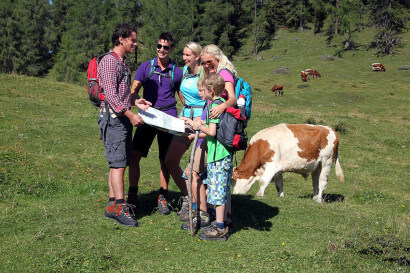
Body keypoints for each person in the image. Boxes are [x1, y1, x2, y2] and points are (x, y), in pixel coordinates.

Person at [99, 23, 152, 227]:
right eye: (133, 40)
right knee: (118, 165)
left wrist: (135, 101)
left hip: (120, 118)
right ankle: (120, 208)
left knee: (119, 162)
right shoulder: (110, 62)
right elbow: (110, 95)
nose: (135, 44)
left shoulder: (121, 62)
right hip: (114, 119)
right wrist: (130, 114)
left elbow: (120, 95)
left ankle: (113, 206)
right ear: (121, 39)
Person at [128, 32, 186, 215]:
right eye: (159, 46)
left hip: (168, 117)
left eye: (166, 47)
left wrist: (190, 113)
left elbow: (182, 96)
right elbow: (133, 91)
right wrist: (138, 100)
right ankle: (133, 194)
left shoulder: (177, 72)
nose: (162, 50)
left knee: (165, 160)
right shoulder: (146, 67)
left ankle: (163, 195)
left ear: (171, 49)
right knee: (135, 155)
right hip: (148, 116)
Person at [163, 41, 205, 219]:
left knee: (195, 169)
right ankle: (187, 196)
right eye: (183, 54)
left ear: (197, 56)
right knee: (170, 159)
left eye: (188, 55)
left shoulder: (205, 73)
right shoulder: (186, 73)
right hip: (184, 120)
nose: (184, 58)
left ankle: (199, 207)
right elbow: (183, 94)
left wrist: (200, 118)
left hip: (201, 121)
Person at [192, 74, 233, 241]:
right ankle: (220, 223)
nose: (203, 92)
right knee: (220, 190)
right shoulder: (219, 105)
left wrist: (199, 124)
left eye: (204, 89)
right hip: (224, 153)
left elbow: (212, 131)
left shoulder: (213, 107)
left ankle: (220, 227)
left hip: (218, 155)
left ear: (212, 90)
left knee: (218, 191)